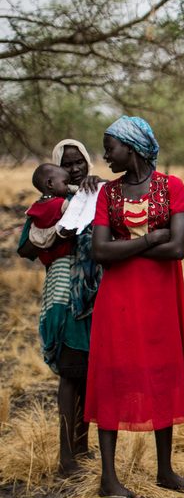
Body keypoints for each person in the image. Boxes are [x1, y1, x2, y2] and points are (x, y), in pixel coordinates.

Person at [87, 117, 184, 498]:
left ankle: (164, 470)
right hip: (118, 297)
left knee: (161, 371)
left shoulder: (172, 187)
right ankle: (109, 478)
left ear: (130, 148)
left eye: (109, 147)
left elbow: (179, 248)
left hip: (160, 296)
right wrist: (152, 237)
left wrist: (126, 247)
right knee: (115, 373)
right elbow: (100, 252)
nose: (104, 155)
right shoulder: (107, 193)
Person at [17, 141, 104, 477]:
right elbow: (25, 246)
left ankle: (80, 449)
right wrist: (60, 229)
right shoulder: (50, 203)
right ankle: (67, 458)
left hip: (93, 293)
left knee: (84, 370)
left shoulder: (95, 193)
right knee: (70, 371)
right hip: (65, 292)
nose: (76, 169)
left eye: (80, 161)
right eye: (67, 164)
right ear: (55, 171)